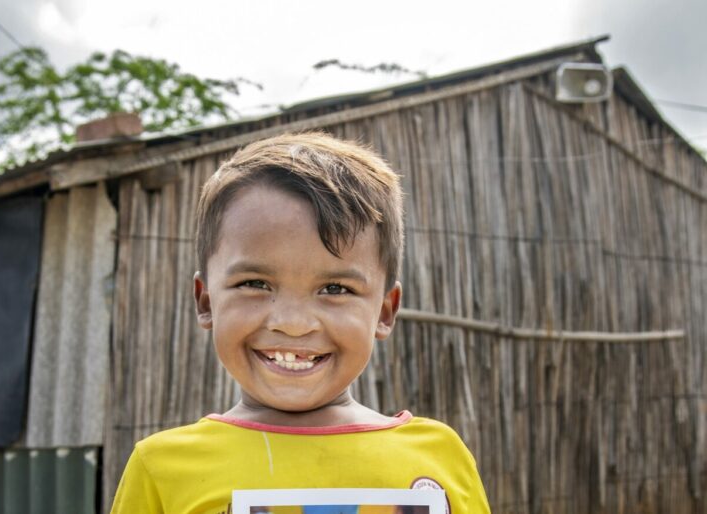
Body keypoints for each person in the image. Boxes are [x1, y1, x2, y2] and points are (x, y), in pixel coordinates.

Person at [110, 133, 491, 514]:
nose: (293, 324)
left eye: (335, 288)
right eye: (255, 284)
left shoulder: (440, 456)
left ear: (384, 311)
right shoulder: (162, 468)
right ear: (206, 301)